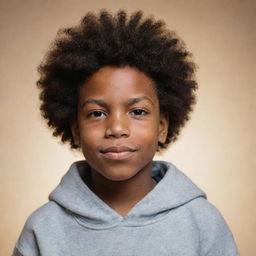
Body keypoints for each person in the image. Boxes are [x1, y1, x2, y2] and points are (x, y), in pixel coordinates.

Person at [12, 9, 239, 256]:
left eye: (138, 112)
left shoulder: (202, 223)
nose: (117, 128)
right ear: (76, 130)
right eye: (97, 113)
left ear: (162, 126)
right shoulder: (43, 229)